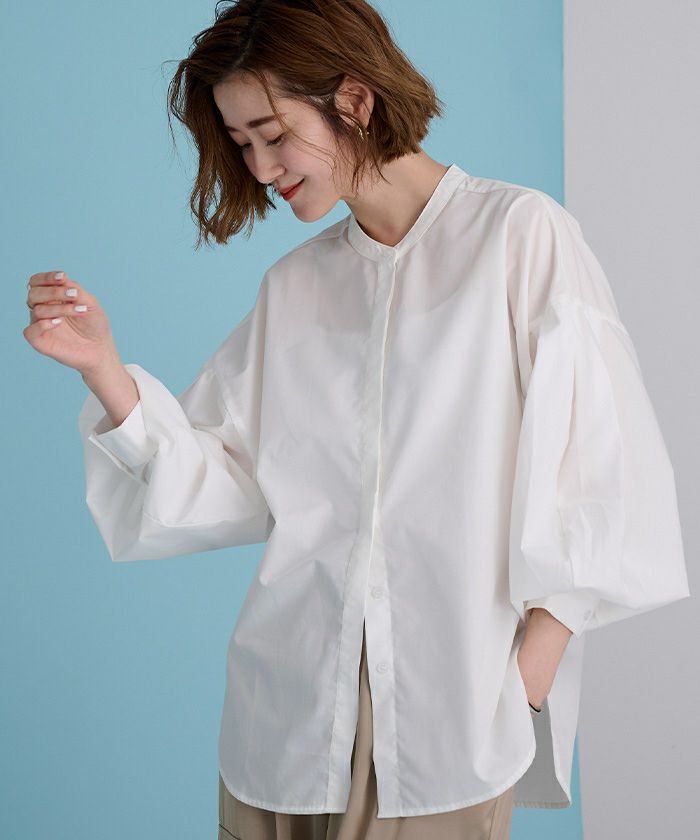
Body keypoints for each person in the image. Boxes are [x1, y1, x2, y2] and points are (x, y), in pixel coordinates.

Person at [23, 1, 690, 838]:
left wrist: (523, 681)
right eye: (241, 144)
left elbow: (600, 474)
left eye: (272, 134)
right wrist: (105, 370)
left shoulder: (520, 237)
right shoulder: (296, 288)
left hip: (444, 732)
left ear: (354, 99)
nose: (261, 167)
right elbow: (221, 481)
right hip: (284, 728)